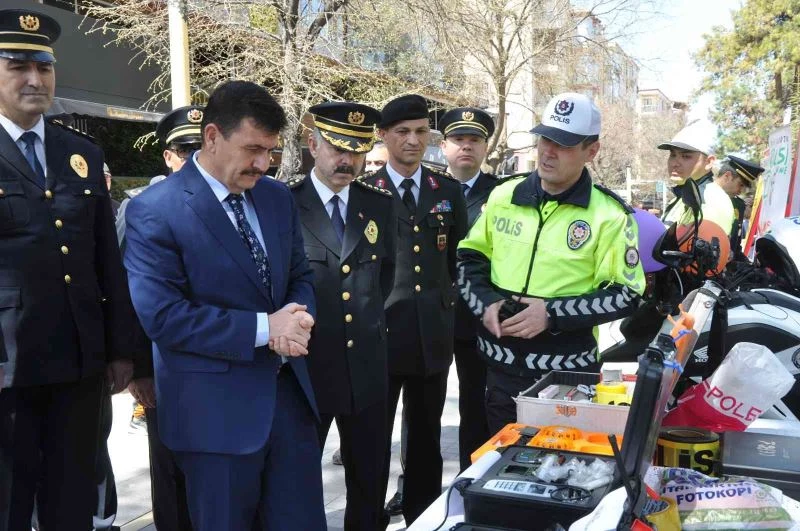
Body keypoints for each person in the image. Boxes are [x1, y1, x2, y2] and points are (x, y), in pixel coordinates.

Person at [124, 80, 325, 531]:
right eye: (252, 148)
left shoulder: (275, 198)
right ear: (212, 136)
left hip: (289, 405)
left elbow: (299, 276)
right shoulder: (157, 210)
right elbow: (163, 316)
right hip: (213, 421)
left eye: (270, 152)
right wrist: (266, 328)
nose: (261, 163)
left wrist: (298, 316)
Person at [0, 9, 141, 530]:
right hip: (8, 369)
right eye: (17, 66)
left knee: (72, 500)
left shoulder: (79, 153)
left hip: (80, 367)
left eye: (44, 66)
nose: (35, 79)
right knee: (9, 503)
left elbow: (106, 259)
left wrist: (120, 348)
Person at [457, 93, 645, 434]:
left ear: (592, 151)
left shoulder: (610, 215)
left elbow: (627, 293)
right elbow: (469, 257)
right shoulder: (503, 195)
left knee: (560, 473)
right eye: (545, 138)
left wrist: (552, 313)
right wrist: (485, 302)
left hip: (566, 377)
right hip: (495, 370)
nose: (548, 151)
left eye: (564, 144)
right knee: (491, 468)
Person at [288, 101, 396, 530]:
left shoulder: (379, 206)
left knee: (369, 482)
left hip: (367, 368)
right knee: (297, 481)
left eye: (357, 150)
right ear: (313, 144)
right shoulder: (285, 204)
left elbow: (383, 278)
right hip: (308, 369)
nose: (348, 160)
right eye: (337, 148)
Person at [360, 94, 468, 526]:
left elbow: (460, 258)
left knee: (425, 441)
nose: (413, 140)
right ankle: (368, 518)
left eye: (421, 132)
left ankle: (423, 517)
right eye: (402, 132)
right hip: (379, 335)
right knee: (370, 440)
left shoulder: (447, 190)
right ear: (383, 136)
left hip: (431, 335)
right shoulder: (366, 192)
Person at [124, 106, 204, 531]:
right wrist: (139, 370)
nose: (192, 158)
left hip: (224, 366)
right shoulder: (141, 208)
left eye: (199, 147)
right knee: (171, 477)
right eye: (182, 149)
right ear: (168, 157)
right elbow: (128, 297)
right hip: (164, 368)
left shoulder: (240, 202)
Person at [439, 107, 498, 471]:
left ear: (485, 147)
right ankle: (411, 485)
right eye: (458, 139)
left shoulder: (504, 193)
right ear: (444, 145)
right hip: (428, 316)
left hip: (478, 318)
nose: (466, 147)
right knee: (420, 407)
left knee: (476, 404)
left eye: (474, 140)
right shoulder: (427, 189)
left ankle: (470, 476)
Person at [659, 120, 734, 235]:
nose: (675, 163)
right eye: (673, 155)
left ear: (709, 162)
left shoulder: (712, 199)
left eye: (686, 156)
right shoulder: (680, 197)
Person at [714, 155, 764, 260]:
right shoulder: (703, 196)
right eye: (740, 185)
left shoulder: (737, 204)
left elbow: (735, 245)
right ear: (727, 176)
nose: (741, 191)